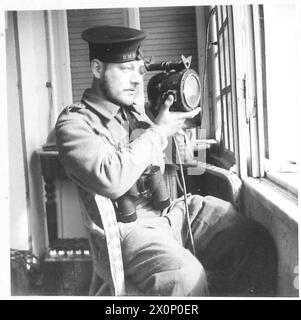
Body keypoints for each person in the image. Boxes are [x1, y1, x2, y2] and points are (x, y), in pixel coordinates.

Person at [55, 25, 277, 296]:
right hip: (131, 228)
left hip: (174, 212)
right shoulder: (75, 123)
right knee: (186, 277)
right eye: (125, 70)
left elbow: (188, 166)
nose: (136, 80)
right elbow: (110, 179)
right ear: (97, 68)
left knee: (254, 238)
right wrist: (158, 130)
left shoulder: (139, 113)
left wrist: (179, 128)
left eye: (138, 70)